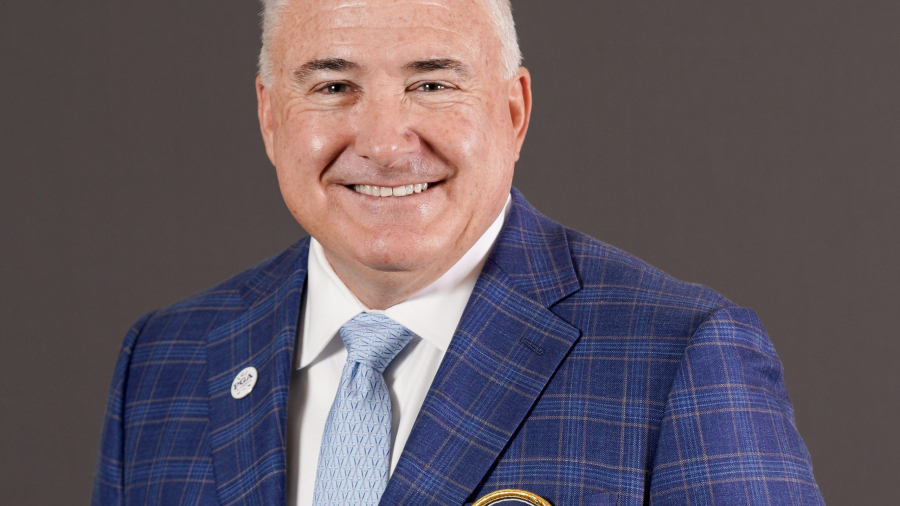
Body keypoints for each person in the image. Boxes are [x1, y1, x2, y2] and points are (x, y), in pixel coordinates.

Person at [91, 0, 825, 505]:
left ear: (513, 113)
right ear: (270, 118)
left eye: (432, 83)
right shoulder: (165, 362)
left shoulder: (678, 357)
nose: (383, 143)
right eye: (335, 85)